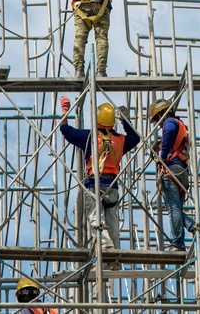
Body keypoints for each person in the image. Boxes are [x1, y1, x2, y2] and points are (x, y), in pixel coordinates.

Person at [58, 96, 139, 251]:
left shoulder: (89, 136)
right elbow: (135, 138)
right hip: (112, 186)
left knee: (96, 217)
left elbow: (66, 131)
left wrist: (65, 111)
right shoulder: (120, 140)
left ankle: (105, 245)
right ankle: (113, 257)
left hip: (94, 183)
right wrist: (126, 120)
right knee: (112, 221)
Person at [149, 99, 200, 251]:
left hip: (172, 169)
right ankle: (193, 227)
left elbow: (168, 131)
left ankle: (179, 243)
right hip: (182, 172)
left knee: (173, 207)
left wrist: (163, 153)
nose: (159, 124)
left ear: (162, 114)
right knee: (177, 209)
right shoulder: (181, 125)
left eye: (158, 120)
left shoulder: (170, 122)